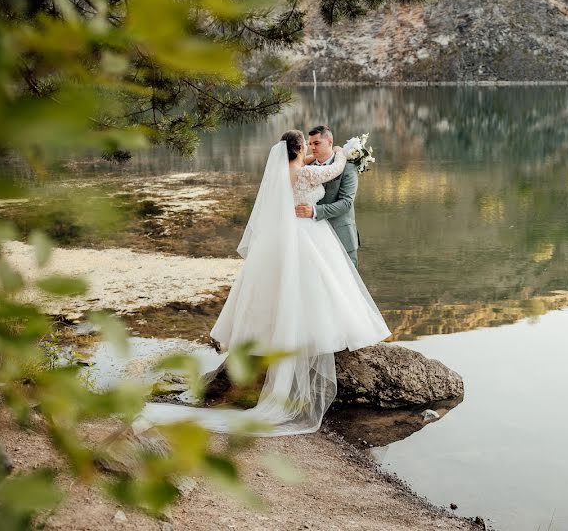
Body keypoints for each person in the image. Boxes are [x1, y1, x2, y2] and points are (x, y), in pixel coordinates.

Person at [137, 131, 390, 436]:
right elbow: (334, 169)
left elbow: (311, 165)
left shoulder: (285, 171)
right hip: (306, 235)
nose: (310, 148)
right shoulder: (308, 173)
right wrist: (343, 152)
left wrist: (334, 154)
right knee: (315, 285)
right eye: (306, 145)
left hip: (284, 237)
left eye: (314, 144)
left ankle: (275, 333)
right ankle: (309, 334)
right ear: (299, 149)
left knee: (287, 286)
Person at [296, 125, 360, 268]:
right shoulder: (306, 168)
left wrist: (315, 211)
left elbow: (346, 203)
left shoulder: (348, 167)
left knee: (349, 284)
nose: (312, 147)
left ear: (330, 142)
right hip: (313, 238)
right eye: (310, 144)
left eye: (317, 143)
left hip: (342, 236)